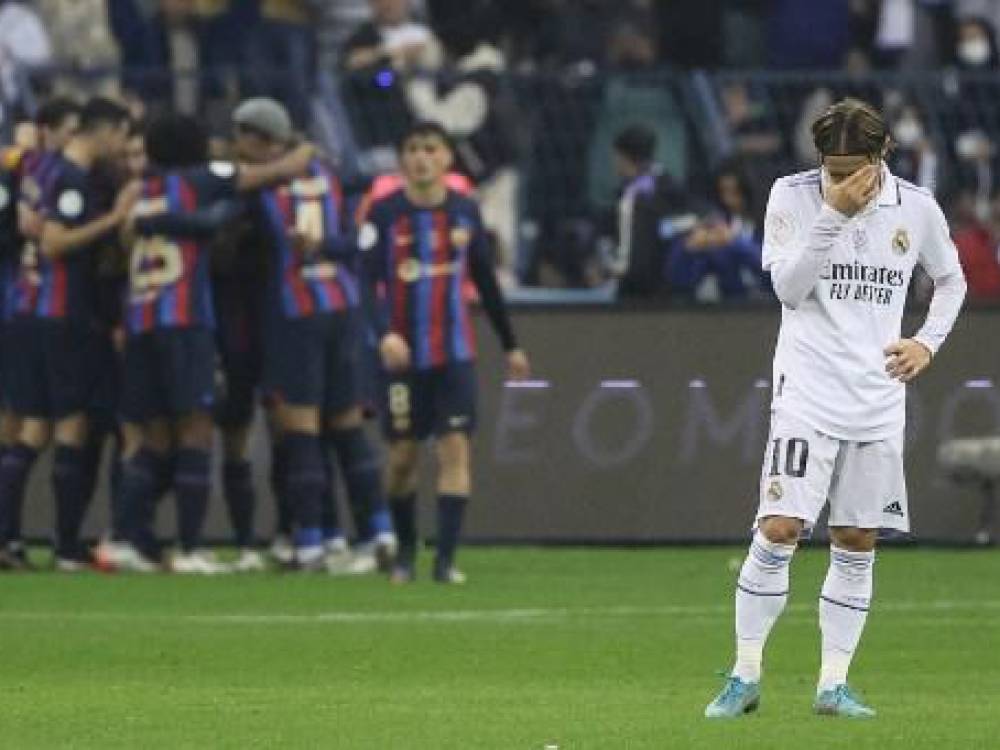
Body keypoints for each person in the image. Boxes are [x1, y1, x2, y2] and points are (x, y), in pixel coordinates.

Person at [704, 98, 966, 719]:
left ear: (883, 157)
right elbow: (789, 290)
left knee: (856, 539)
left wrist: (925, 343)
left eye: (854, 169)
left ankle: (833, 684)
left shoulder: (917, 208)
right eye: (831, 167)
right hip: (808, 392)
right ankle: (744, 675)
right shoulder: (791, 196)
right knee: (780, 528)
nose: (841, 180)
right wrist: (832, 214)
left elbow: (952, 279)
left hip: (877, 398)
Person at [114, 111, 314, 574]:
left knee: (154, 437)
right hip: (184, 320)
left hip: (142, 318)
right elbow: (276, 173)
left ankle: (125, 539)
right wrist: (305, 152)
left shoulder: (140, 192)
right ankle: (189, 547)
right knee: (197, 430)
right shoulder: (203, 179)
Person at [360, 121, 530, 584]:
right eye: (412, 148)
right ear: (402, 160)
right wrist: (383, 334)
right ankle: (405, 553)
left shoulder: (464, 212)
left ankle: (444, 562)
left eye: (430, 149)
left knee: (455, 452)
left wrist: (510, 343)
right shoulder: (384, 213)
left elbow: (486, 280)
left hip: (454, 354)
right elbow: (364, 281)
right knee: (402, 460)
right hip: (400, 357)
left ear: (446, 159)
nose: (420, 157)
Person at [232, 97, 397, 573]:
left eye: (244, 137)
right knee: (347, 429)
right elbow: (353, 244)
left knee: (301, 432)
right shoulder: (327, 175)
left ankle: (309, 542)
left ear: (263, 139)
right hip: (342, 306)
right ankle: (377, 531)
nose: (238, 148)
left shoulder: (259, 187)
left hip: (293, 313)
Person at [0, 97, 135, 571]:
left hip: (26, 309)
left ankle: (9, 540)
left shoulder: (39, 169)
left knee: (30, 429)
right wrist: (113, 220)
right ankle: (65, 545)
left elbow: (24, 216)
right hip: (60, 316)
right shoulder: (73, 180)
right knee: (69, 428)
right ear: (103, 130)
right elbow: (56, 242)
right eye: (120, 134)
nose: (120, 145)